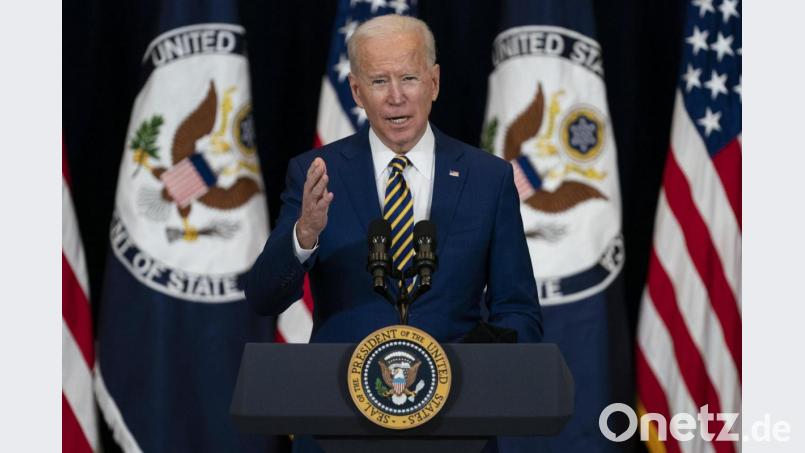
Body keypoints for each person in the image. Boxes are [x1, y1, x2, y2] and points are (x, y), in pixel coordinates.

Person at [246, 13, 543, 453]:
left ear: (434, 82)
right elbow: (263, 297)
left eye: (409, 78)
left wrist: (467, 371)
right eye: (379, 81)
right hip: (338, 426)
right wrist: (304, 234)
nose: (396, 97)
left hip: (455, 431)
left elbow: (518, 310)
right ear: (356, 91)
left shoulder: (488, 179)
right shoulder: (316, 174)